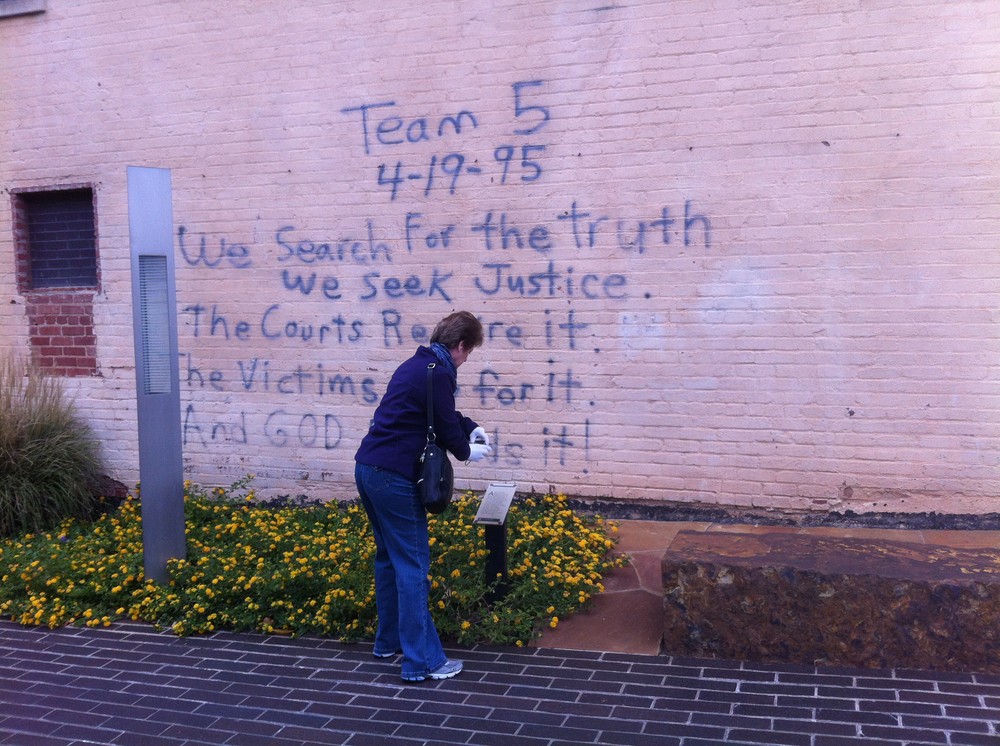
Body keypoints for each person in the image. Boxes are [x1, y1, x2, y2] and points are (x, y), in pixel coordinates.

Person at [354, 311, 493, 682]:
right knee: (413, 567)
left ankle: (388, 643)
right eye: (469, 352)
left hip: (368, 469)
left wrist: (470, 426)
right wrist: (465, 451)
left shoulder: (418, 364)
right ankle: (423, 662)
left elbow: (436, 413)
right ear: (460, 345)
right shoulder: (440, 371)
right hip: (393, 478)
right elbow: (443, 424)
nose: (467, 359)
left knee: (388, 560)